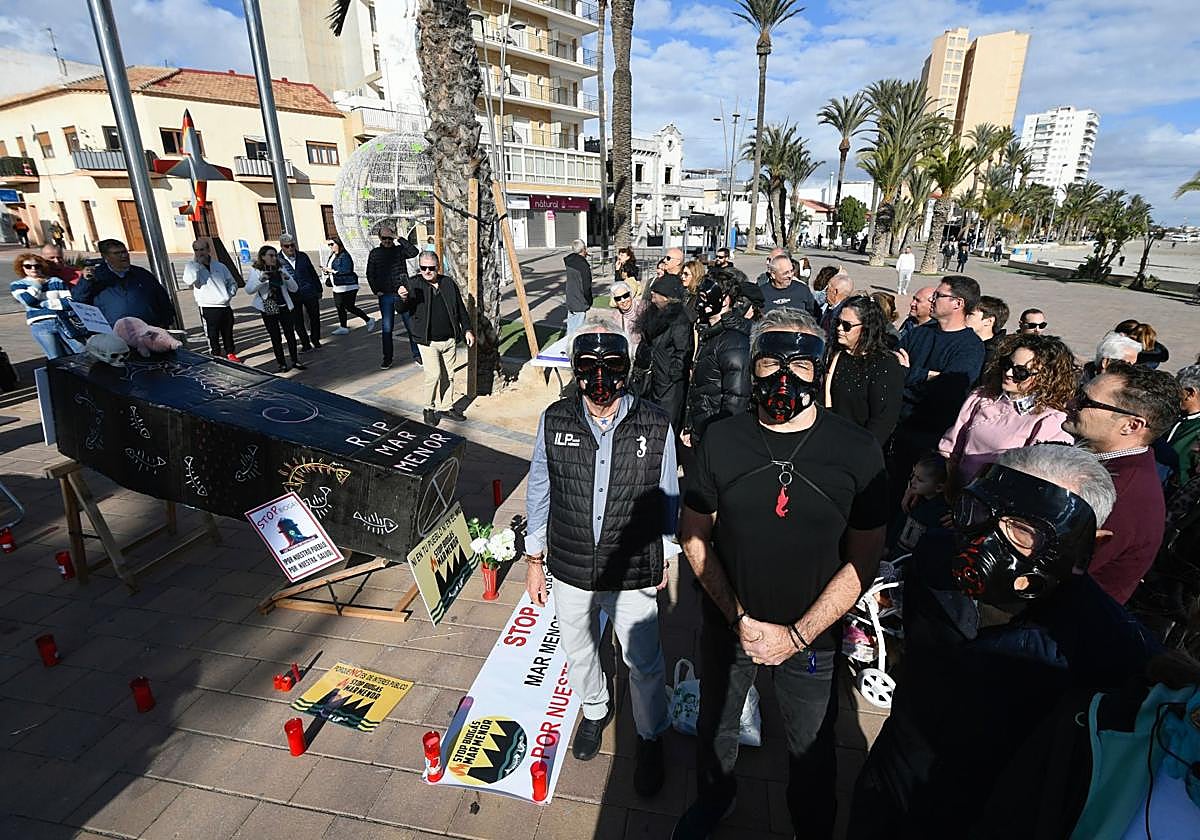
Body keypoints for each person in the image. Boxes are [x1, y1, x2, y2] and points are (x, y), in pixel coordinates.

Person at [848, 445, 1159, 839]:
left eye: (1025, 530)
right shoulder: (937, 557)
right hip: (891, 779)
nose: (986, 543)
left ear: (1089, 545)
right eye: (981, 512)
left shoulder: (1111, 650)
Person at [675, 308, 888, 839]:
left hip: (813, 638)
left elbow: (864, 558)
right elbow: (694, 534)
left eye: (801, 366)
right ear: (753, 365)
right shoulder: (721, 440)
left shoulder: (858, 451)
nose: (785, 378)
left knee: (812, 746)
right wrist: (739, 619)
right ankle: (714, 799)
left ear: (821, 368)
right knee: (716, 725)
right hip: (731, 627)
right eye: (771, 363)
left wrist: (797, 635)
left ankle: (811, 826)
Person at [523, 325, 675, 796]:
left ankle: (650, 735)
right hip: (571, 561)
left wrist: (666, 553)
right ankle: (594, 708)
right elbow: (540, 487)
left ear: (626, 371)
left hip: (632, 565)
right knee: (579, 647)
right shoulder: (554, 420)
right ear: (577, 371)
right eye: (589, 368)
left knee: (643, 659)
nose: (601, 380)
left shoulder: (656, 423)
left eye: (612, 368)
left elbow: (667, 492)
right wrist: (533, 557)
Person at [1062, 361, 1181, 604]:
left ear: (1131, 425)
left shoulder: (1122, 493)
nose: (1070, 403)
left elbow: (1059, 567)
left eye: (1085, 401)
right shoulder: (1110, 464)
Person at [935, 333, 1076, 491]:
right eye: (1006, 364)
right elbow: (950, 448)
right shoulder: (981, 396)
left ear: (1046, 377)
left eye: (1021, 372)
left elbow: (1035, 479)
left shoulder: (1051, 420)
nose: (1008, 373)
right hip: (953, 491)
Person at [891, 276, 986, 502]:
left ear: (958, 303)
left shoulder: (970, 348)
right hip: (895, 428)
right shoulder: (919, 332)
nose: (932, 300)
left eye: (938, 295)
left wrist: (909, 374)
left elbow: (946, 392)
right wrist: (927, 376)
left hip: (927, 441)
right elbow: (891, 367)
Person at [398, 251, 474, 426]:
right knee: (434, 375)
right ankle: (428, 408)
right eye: (423, 268)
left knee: (449, 375)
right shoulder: (414, 284)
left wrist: (467, 329)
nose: (427, 271)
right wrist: (402, 298)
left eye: (431, 268)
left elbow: (460, 309)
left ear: (438, 267)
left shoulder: (448, 283)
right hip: (427, 341)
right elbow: (401, 309)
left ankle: (446, 407)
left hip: (449, 339)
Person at [823, 294, 906, 445]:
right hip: (830, 437)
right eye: (838, 322)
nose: (839, 328)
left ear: (866, 328)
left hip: (860, 445)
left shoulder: (885, 364)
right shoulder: (835, 354)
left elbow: (883, 420)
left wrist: (861, 451)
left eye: (847, 325)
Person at [683, 273, 751, 445]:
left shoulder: (733, 342)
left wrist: (721, 438)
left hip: (717, 435)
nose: (700, 302)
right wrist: (690, 425)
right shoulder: (709, 333)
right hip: (703, 429)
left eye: (705, 297)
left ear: (725, 300)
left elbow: (736, 398)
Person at [634, 273, 694, 430]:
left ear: (667, 297)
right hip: (651, 379)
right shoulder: (653, 314)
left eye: (656, 293)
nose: (652, 296)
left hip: (668, 384)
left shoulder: (680, 320)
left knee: (666, 424)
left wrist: (671, 375)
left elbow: (683, 351)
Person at [75, 239, 175, 329]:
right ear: (105, 256)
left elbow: (162, 298)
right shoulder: (96, 277)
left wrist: (166, 323)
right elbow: (78, 299)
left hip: (148, 331)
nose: (123, 256)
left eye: (124, 252)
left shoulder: (141, 274)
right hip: (115, 334)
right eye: (117, 253)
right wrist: (86, 281)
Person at [366, 223, 419, 369]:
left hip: (402, 294)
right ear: (380, 238)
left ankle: (417, 355)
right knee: (387, 328)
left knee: (410, 326)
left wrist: (398, 237)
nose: (387, 241)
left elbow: (414, 252)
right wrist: (376, 290)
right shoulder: (375, 253)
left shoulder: (400, 250)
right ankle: (387, 358)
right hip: (385, 295)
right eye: (384, 238)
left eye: (389, 238)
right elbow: (370, 273)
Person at [245, 245, 305, 374]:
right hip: (269, 306)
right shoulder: (257, 270)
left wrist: (287, 278)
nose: (274, 258)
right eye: (271, 255)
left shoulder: (280, 267)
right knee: (275, 336)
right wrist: (262, 280)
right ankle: (281, 363)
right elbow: (249, 290)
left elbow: (294, 288)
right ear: (263, 257)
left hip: (284, 305)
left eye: (275, 255)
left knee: (290, 334)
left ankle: (295, 360)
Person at [10, 253, 78, 360]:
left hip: (63, 321)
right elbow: (28, 300)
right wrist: (37, 285)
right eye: (28, 266)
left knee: (80, 350)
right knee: (55, 357)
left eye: (37, 266)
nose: (33, 269)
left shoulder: (55, 281)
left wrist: (44, 304)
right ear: (22, 268)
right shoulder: (18, 285)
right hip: (40, 324)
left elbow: (69, 301)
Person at [183, 239, 240, 361]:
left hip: (224, 305)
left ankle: (230, 353)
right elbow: (189, 280)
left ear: (208, 250)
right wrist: (197, 266)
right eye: (196, 250)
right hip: (208, 306)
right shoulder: (191, 266)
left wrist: (229, 294)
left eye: (202, 249)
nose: (200, 253)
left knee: (227, 331)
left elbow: (232, 282)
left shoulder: (220, 266)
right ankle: (215, 355)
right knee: (212, 334)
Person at [891, 452, 950, 556]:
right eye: (913, 475)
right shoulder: (913, 501)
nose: (913, 481)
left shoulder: (941, 514)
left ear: (939, 487)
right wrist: (888, 546)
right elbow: (899, 524)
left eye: (920, 480)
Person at [278, 234, 324, 353]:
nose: (290, 248)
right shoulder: (278, 260)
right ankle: (305, 343)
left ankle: (315, 339)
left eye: (292, 245)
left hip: (309, 291)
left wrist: (319, 289)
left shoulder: (303, 256)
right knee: (297, 320)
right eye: (287, 246)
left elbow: (312, 273)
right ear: (281, 246)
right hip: (292, 294)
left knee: (314, 317)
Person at [323, 236, 373, 335]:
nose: (330, 247)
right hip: (337, 286)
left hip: (348, 285)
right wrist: (326, 271)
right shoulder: (333, 255)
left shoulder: (345, 255)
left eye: (332, 244)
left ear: (338, 244)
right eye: (329, 245)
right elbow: (331, 267)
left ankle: (368, 320)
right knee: (339, 306)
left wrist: (332, 271)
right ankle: (343, 327)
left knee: (349, 306)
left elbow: (347, 269)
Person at [1166, 364, 1200, 480]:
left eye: (1177, 390)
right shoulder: (1172, 414)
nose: (1172, 395)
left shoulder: (1196, 432)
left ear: (1190, 393)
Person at [965, 294, 1009, 367]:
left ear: (988, 321)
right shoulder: (962, 341)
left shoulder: (998, 355)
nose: (963, 317)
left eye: (970, 314)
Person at [563, 238, 593, 336]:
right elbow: (586, 288)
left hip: (571, 299)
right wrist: (589, 301)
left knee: (570, 330)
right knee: (578, 332)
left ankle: (568, 344)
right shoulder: (583, 266)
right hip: (580, 302)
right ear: (583, 249)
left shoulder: (569, 261)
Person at [607, 280, 646, 354]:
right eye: (618, 298)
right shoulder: (615, 316)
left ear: (630, 295)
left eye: (625, 296)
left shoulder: (643, 308)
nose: (623, 300)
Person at [818, 272, 854, 337]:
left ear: (835, 292)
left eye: (828, 288)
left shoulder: (842, 314)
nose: (825, 291)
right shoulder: (831, 306)